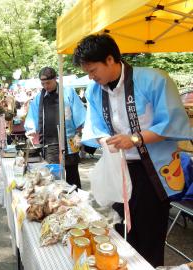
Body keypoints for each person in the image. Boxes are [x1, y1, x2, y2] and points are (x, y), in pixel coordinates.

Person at [73, 34, 192, 267]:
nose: (91, 77)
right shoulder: (94, 91)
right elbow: (95, 126)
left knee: (149, 238)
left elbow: (172, 122)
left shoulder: (155, 80)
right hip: (119, 171)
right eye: (87, 72)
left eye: (93, 70)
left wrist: (135, 138)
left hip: (152, 173)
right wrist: (105, 139)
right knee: (121, 234)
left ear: (110, 59)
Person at [24, 67, 86, 188]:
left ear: (55, 79)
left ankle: (76, 201)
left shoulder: (68, 92)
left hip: (70, 140)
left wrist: (79, 134)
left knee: (73, 174)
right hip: (50, 143)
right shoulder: (39, 98)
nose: (45, 86)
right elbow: (33, 116)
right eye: (43, 84)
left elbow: (79, 115)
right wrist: (31, 130)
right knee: (53, 176)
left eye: (48, 83)